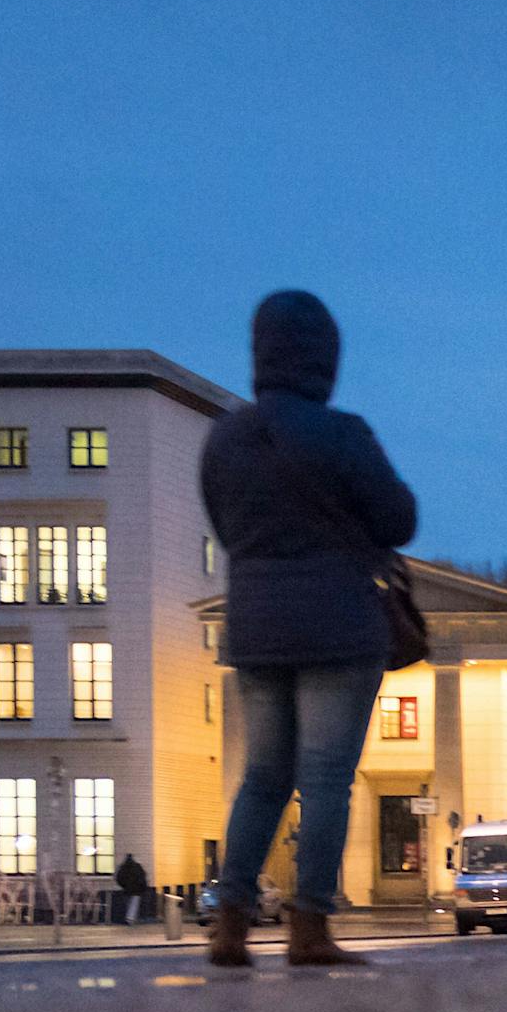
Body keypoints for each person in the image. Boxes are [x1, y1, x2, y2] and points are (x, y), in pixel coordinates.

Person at [201, 291, 417, 968]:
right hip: (338, 627)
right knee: (326, 779)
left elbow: (225, 526)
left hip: (256, 627)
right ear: (326, 357)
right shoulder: (343, 433)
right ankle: (309, 927)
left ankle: (230, 925)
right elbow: (399, 519)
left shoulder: (225, 438)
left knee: (262, 777)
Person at [114, 851, 148, 925]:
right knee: (134, 904)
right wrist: (143, 887)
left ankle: (129, 917)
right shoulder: (137, 866)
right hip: (137, 889)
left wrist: (123, 885)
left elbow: (118, 878)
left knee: (128, 904)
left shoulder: (122, 867)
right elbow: (142, 877)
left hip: (126, 889)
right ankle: (130, 918)